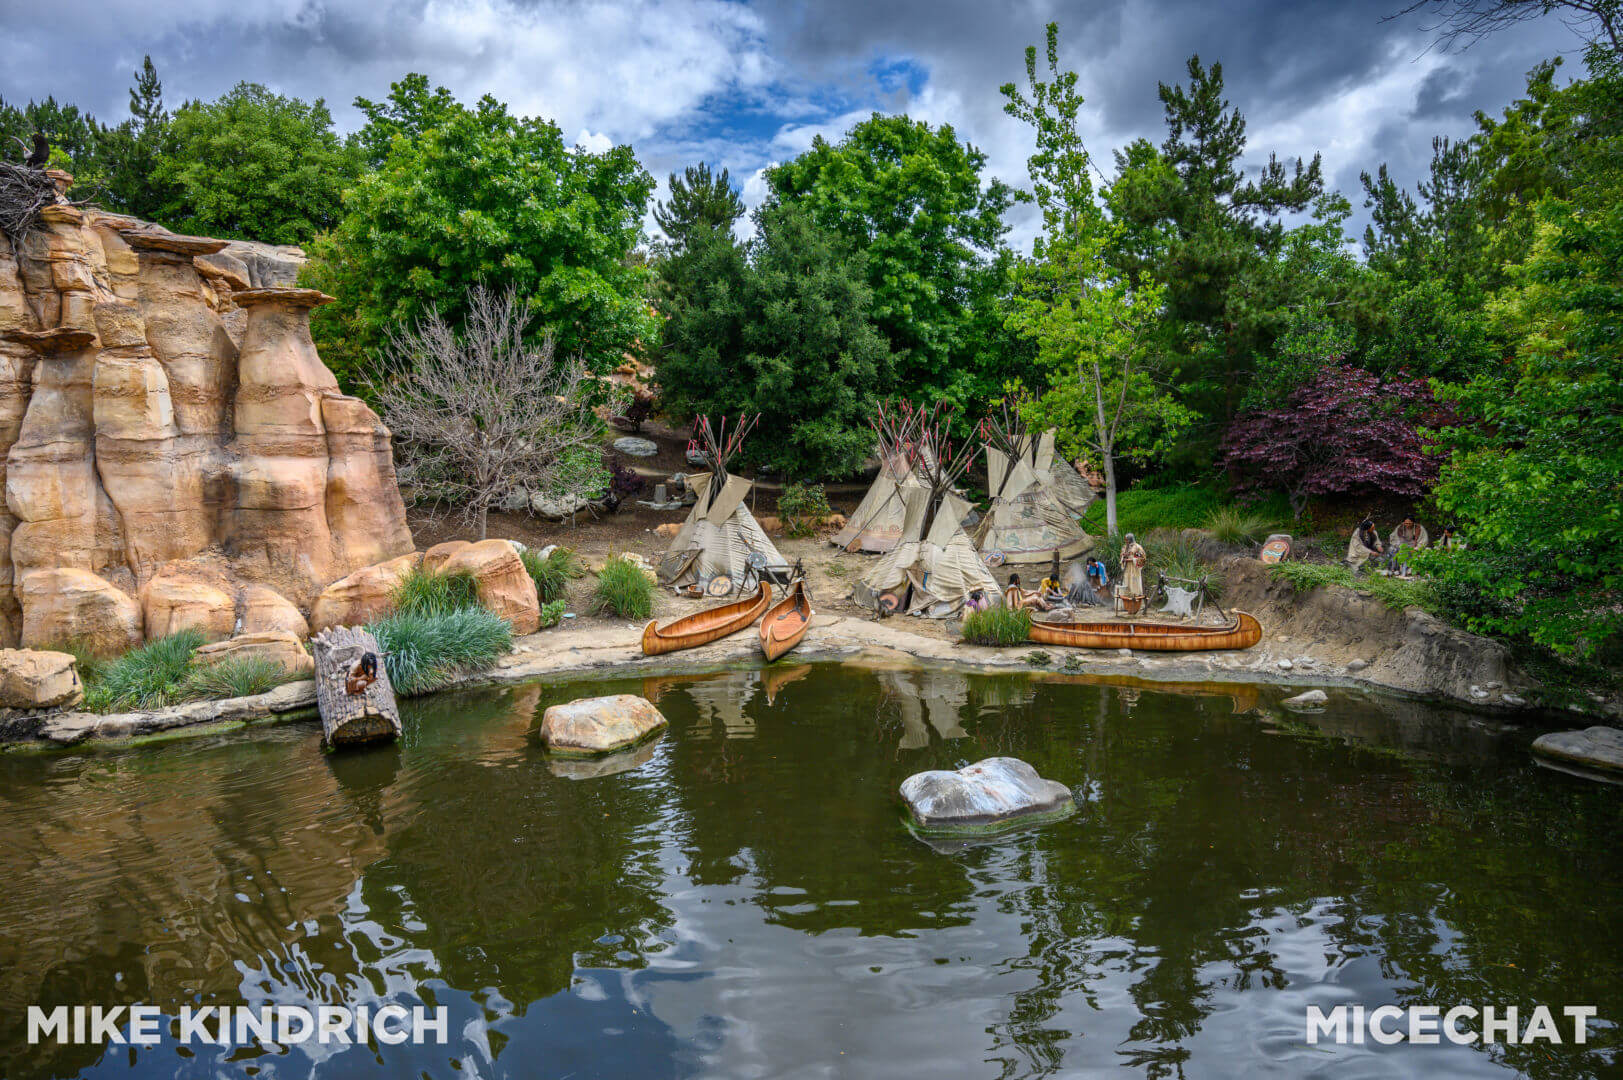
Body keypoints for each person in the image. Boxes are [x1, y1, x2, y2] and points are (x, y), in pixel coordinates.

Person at [1119, 534, 1146, 599]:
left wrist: (1132, 560)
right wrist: (1123, 557)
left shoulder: (1137, 547)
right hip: (1127, 567)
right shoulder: (1125, 547)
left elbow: (1143, 557)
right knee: (1127, 581)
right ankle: (1127, 596)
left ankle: (1135, 595)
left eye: (1127, 539)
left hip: (1134, 567)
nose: (1126, 541)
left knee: (1134, 581)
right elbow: (1121, 555)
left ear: (1130, 539)